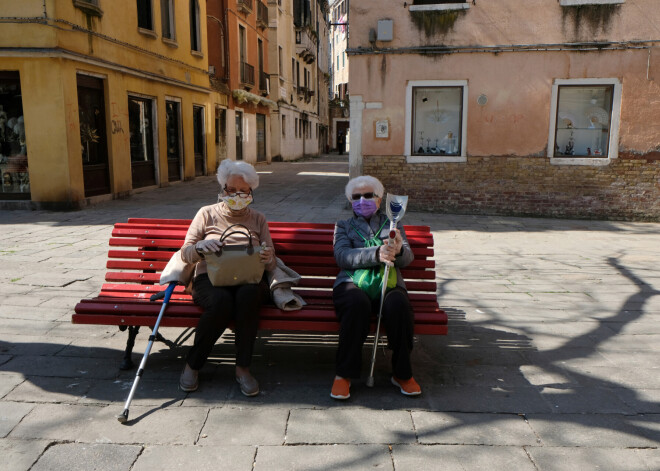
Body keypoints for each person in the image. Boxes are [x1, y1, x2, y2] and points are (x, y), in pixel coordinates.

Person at [178, 159, 276, 396]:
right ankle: (193, 364)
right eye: (230, 190)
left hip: (249, 279)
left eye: (242, 191)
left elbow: (272, 261)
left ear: (251, 192)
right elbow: (185, 253)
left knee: (248, 295)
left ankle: (243, 368)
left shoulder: (258, 219)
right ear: (222, 189)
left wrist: (266, 256)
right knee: (221, 302)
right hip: (209, 279)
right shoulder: (206, 213)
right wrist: (201, 246)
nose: (236, 195)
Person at [330, 176, 421, 400]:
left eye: (369, 195)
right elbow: (342, 256)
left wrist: (398, 250)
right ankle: (344, 374)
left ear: (380, 200)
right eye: (356, 197)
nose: (363, 200)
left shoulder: (394, 224)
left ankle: (402, 373)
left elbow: (408, 257)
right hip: (351, 283)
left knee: (398, 306)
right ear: (350, 201)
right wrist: (376, 254)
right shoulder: (343, 226)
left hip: (388, 282)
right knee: (356, 304)